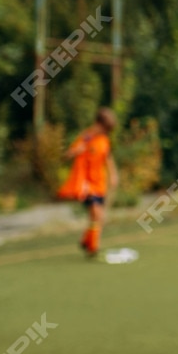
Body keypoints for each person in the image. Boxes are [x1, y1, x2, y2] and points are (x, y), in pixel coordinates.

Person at [59, 108, 119, 258]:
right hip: (86, 184)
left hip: (100, 183)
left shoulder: (104, 140)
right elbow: (67, 154)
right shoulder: (86, 138)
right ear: (97, 123)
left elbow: (108, 158)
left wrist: (113, 175)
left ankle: (86, 240)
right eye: (103, 128)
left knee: (98, 217)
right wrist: (76, 151)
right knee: (96, 214)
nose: (104, 132)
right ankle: (93, 247)